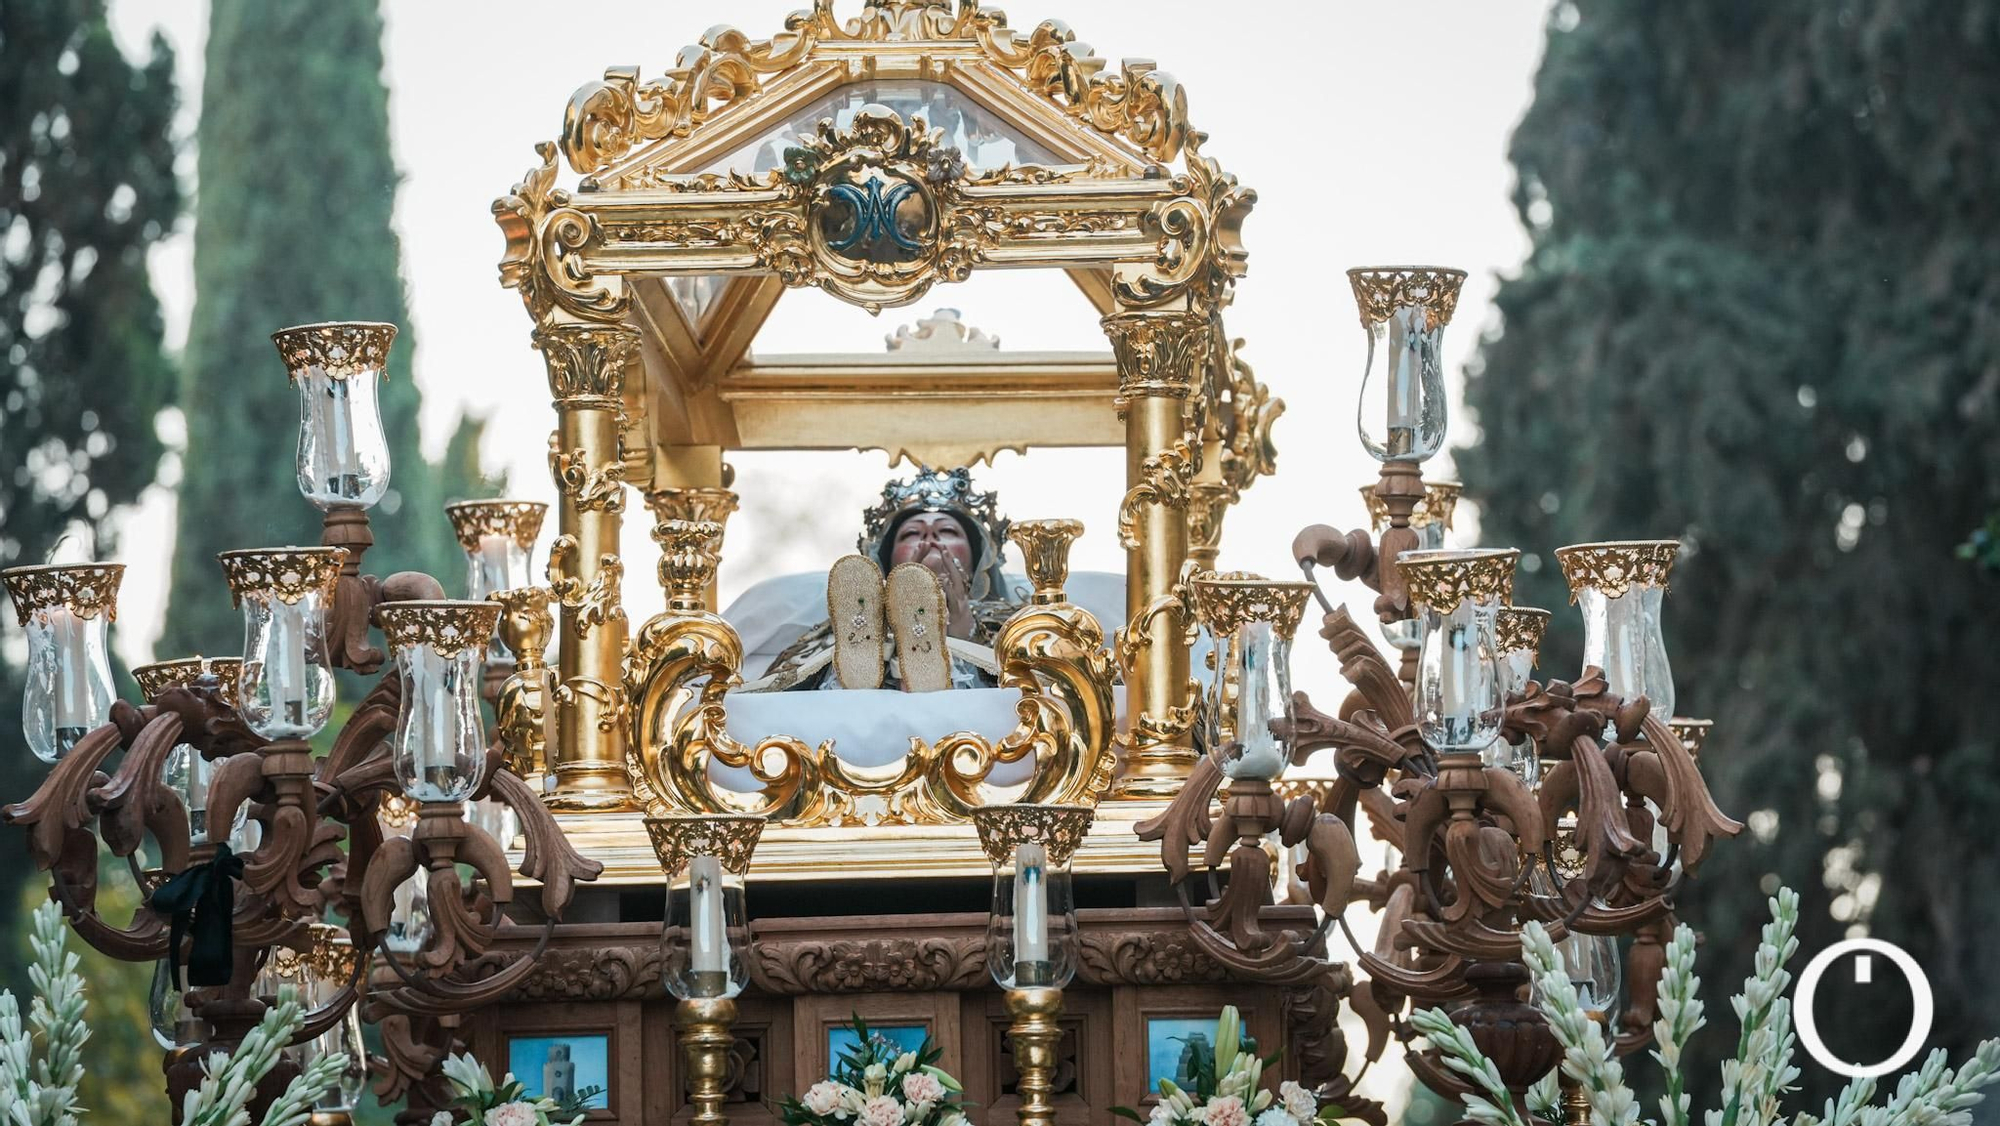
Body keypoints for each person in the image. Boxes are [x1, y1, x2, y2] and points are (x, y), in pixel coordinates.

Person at [743, 467, 1021, 692]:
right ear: (887, 563)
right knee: (846, 651)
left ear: (977, 558)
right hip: (866, 696)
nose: (929, 540)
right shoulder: (841, 621)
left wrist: (967, 632)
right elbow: (778, 688)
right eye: (912, 534)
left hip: (970, 702)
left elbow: (1039, 682)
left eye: (947, 531)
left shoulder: (1012, 624)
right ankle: (874, 653)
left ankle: (937, 656)